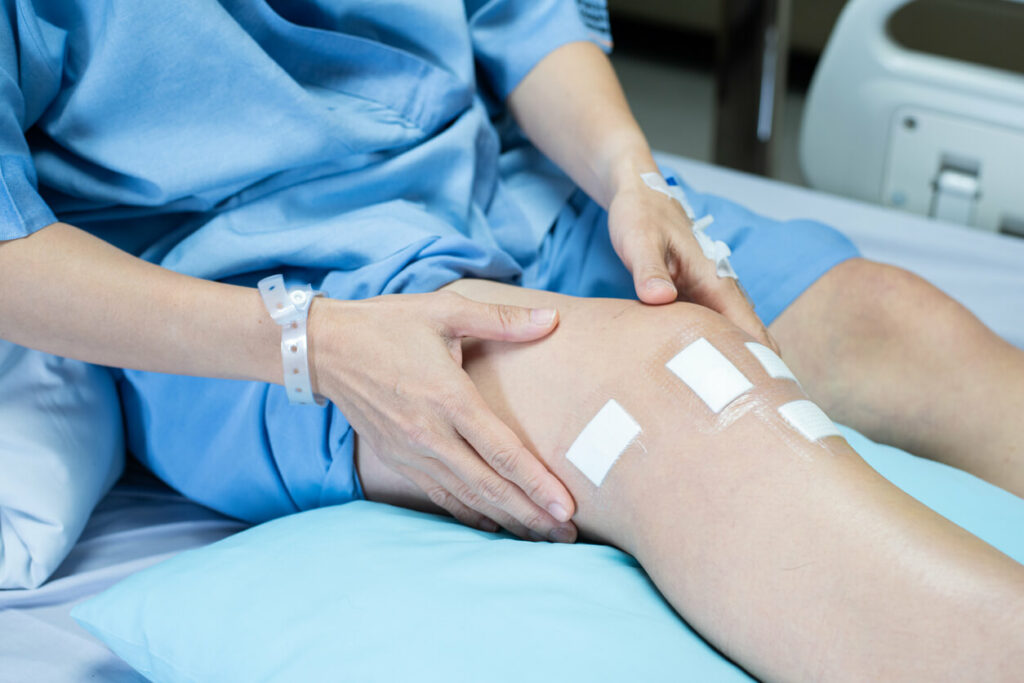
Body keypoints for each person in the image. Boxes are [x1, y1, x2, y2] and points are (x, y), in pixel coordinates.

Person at [1, 0, 1021, 679]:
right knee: (676, 395)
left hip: (504, 186)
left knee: (894, 321)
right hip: (262, 287)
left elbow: (520, 17)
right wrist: (313, 341)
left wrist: (630, 174)